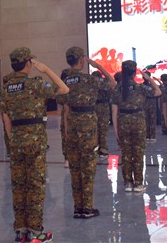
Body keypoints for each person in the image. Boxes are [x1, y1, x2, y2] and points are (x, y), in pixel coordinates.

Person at [0, 47, 69, 243]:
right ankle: (36, 232)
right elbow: (64, 89)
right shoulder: (35, 84)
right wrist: (46, 70)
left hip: (16, 140)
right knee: (35, 185)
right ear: (28, 63)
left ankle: (20, 231)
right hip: (35, 141)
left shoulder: (6, 89)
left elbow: (6, 118)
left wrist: (13, 138)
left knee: (19, 185)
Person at [60, 47, 115, 219]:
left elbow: (64, 107)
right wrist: (99, 66)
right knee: (88, 166)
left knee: (75, 167)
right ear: (82, 60)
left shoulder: (65, 82)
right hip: (88, 124)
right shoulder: (89, 79)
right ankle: (87, 208)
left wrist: (67, 132)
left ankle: (78, 207)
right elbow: (112, 83)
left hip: (72, 124)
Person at [111, 60, 161, 193]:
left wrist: (116, 130)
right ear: (134, 73)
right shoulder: (140, 88)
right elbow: (158, 92)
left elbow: (114, 111)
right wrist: (148, 78)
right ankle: (138, 183)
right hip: (138, 122)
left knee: (126, 153)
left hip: (123, 122)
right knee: (138, 153)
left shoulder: (117, 89)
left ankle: (128, 183)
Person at [91, 70, 112, 159]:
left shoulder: (91, 84)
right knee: (103, 129)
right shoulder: (105, 84)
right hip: (104, 107)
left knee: (95, 129)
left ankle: (95, 149)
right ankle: (103, 150)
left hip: (93, 107)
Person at [143, 71, 158, 142]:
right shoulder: (141, 86)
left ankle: (151, 136)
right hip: (146, 103)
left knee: (151, 120)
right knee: (147, 120)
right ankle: (149, 136)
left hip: (150, 103)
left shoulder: (151, 86)